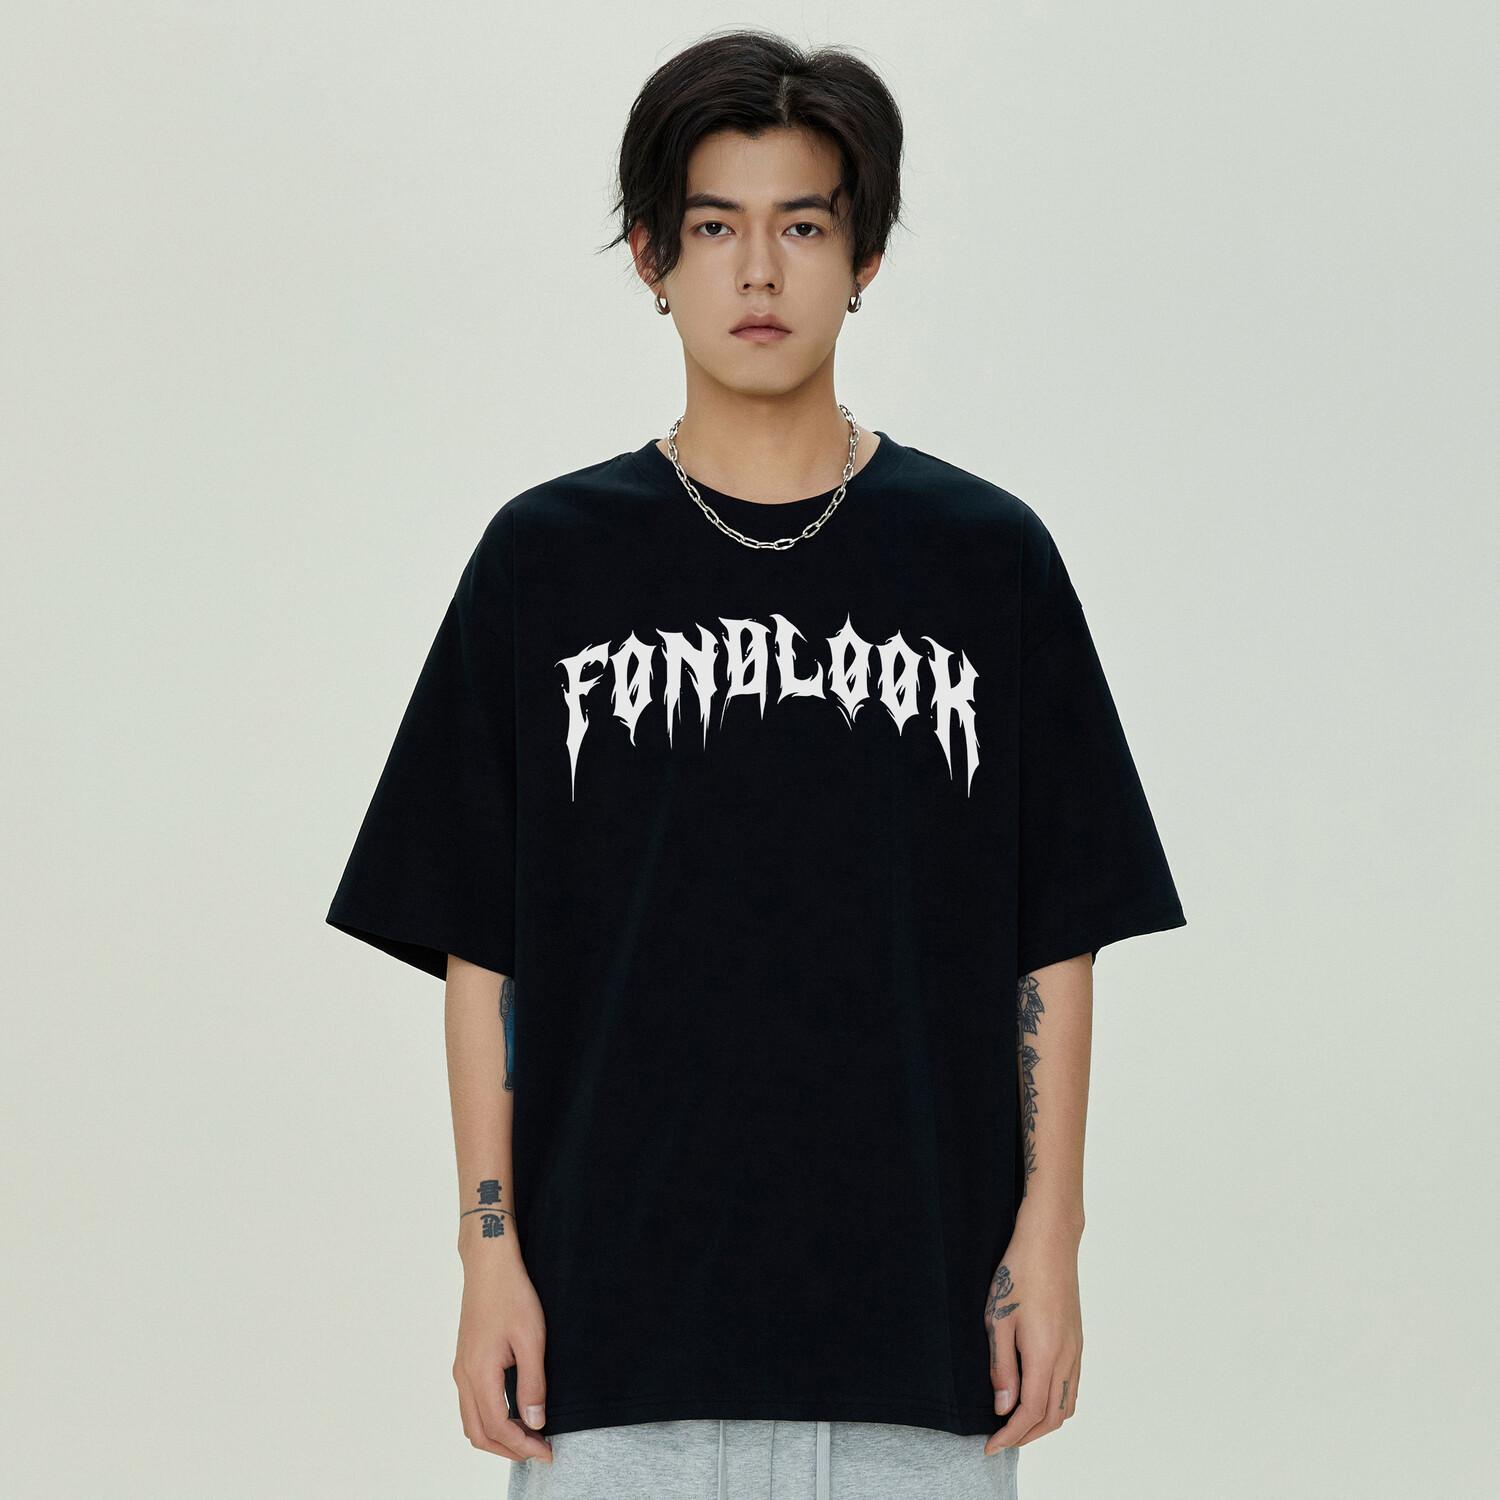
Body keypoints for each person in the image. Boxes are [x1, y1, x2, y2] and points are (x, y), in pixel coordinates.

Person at [325, 27, 1186, 1500]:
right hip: (608, 1361)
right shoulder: (545, 564)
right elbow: (483, 947)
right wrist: (487, 1259)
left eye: (804, 225)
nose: (761, 272)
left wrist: (1049, 1243)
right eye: (717, 227)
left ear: (865, 258)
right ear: (653, 258)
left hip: (923, 1355)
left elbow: (1055, 936)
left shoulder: (986, 562)